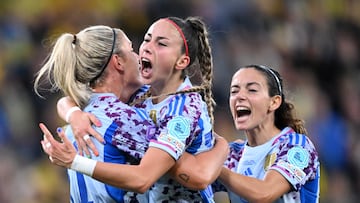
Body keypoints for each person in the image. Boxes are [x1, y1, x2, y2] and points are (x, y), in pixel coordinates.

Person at [39, 16, 227, 203]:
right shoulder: (127, 116)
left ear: (181, 61)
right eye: (143, 42)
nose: (142, 50)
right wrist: (222, 146)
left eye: (161, 44)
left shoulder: (181, 109)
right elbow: (194, 175)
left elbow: (198, 176)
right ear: (118, 62)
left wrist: (72, 114)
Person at [211, 65, 320, 202]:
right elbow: (194, 179)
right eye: (234, 91)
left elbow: (265, 193)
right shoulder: (234, 155)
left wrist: (215, 166)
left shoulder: (297, 147)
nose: (240, 97)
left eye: (252, 90)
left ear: (274, 102)